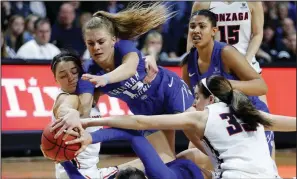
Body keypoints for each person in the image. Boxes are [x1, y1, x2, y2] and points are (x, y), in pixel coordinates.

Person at [51, 2, 195, 166]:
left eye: (101, 41)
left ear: (113, 39)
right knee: (165, 160)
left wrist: (105, 79)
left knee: (200, 142)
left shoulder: (123, 47)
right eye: (91, 43)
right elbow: (85, 104)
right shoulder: (89, 72)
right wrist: (74, 113)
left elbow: (129, 69)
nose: (96, 47)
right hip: (146, 111)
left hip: (169, 90)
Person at [69, 75, 296, 178]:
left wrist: (90, 122)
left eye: (197, 97)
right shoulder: (251, 113)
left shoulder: (202, 116)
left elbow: (141, 123)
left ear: (211, 99)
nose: (194, 102)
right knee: (189, 159)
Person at [40, 51, 118, 179]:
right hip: (77, 173)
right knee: (133, 174)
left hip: (88, 170)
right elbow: (65, 108)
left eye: (74, 72)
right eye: (63, 75)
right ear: (55, 79)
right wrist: (71, 113)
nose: (70, 78)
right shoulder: (66, 98)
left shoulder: (88, 94)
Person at [61, 128, 206, 179]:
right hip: (192, 171)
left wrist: (62, 159)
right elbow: (133, 135)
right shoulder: (159, 174)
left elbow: (134, 135)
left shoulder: (158, 173)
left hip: (184, 168)